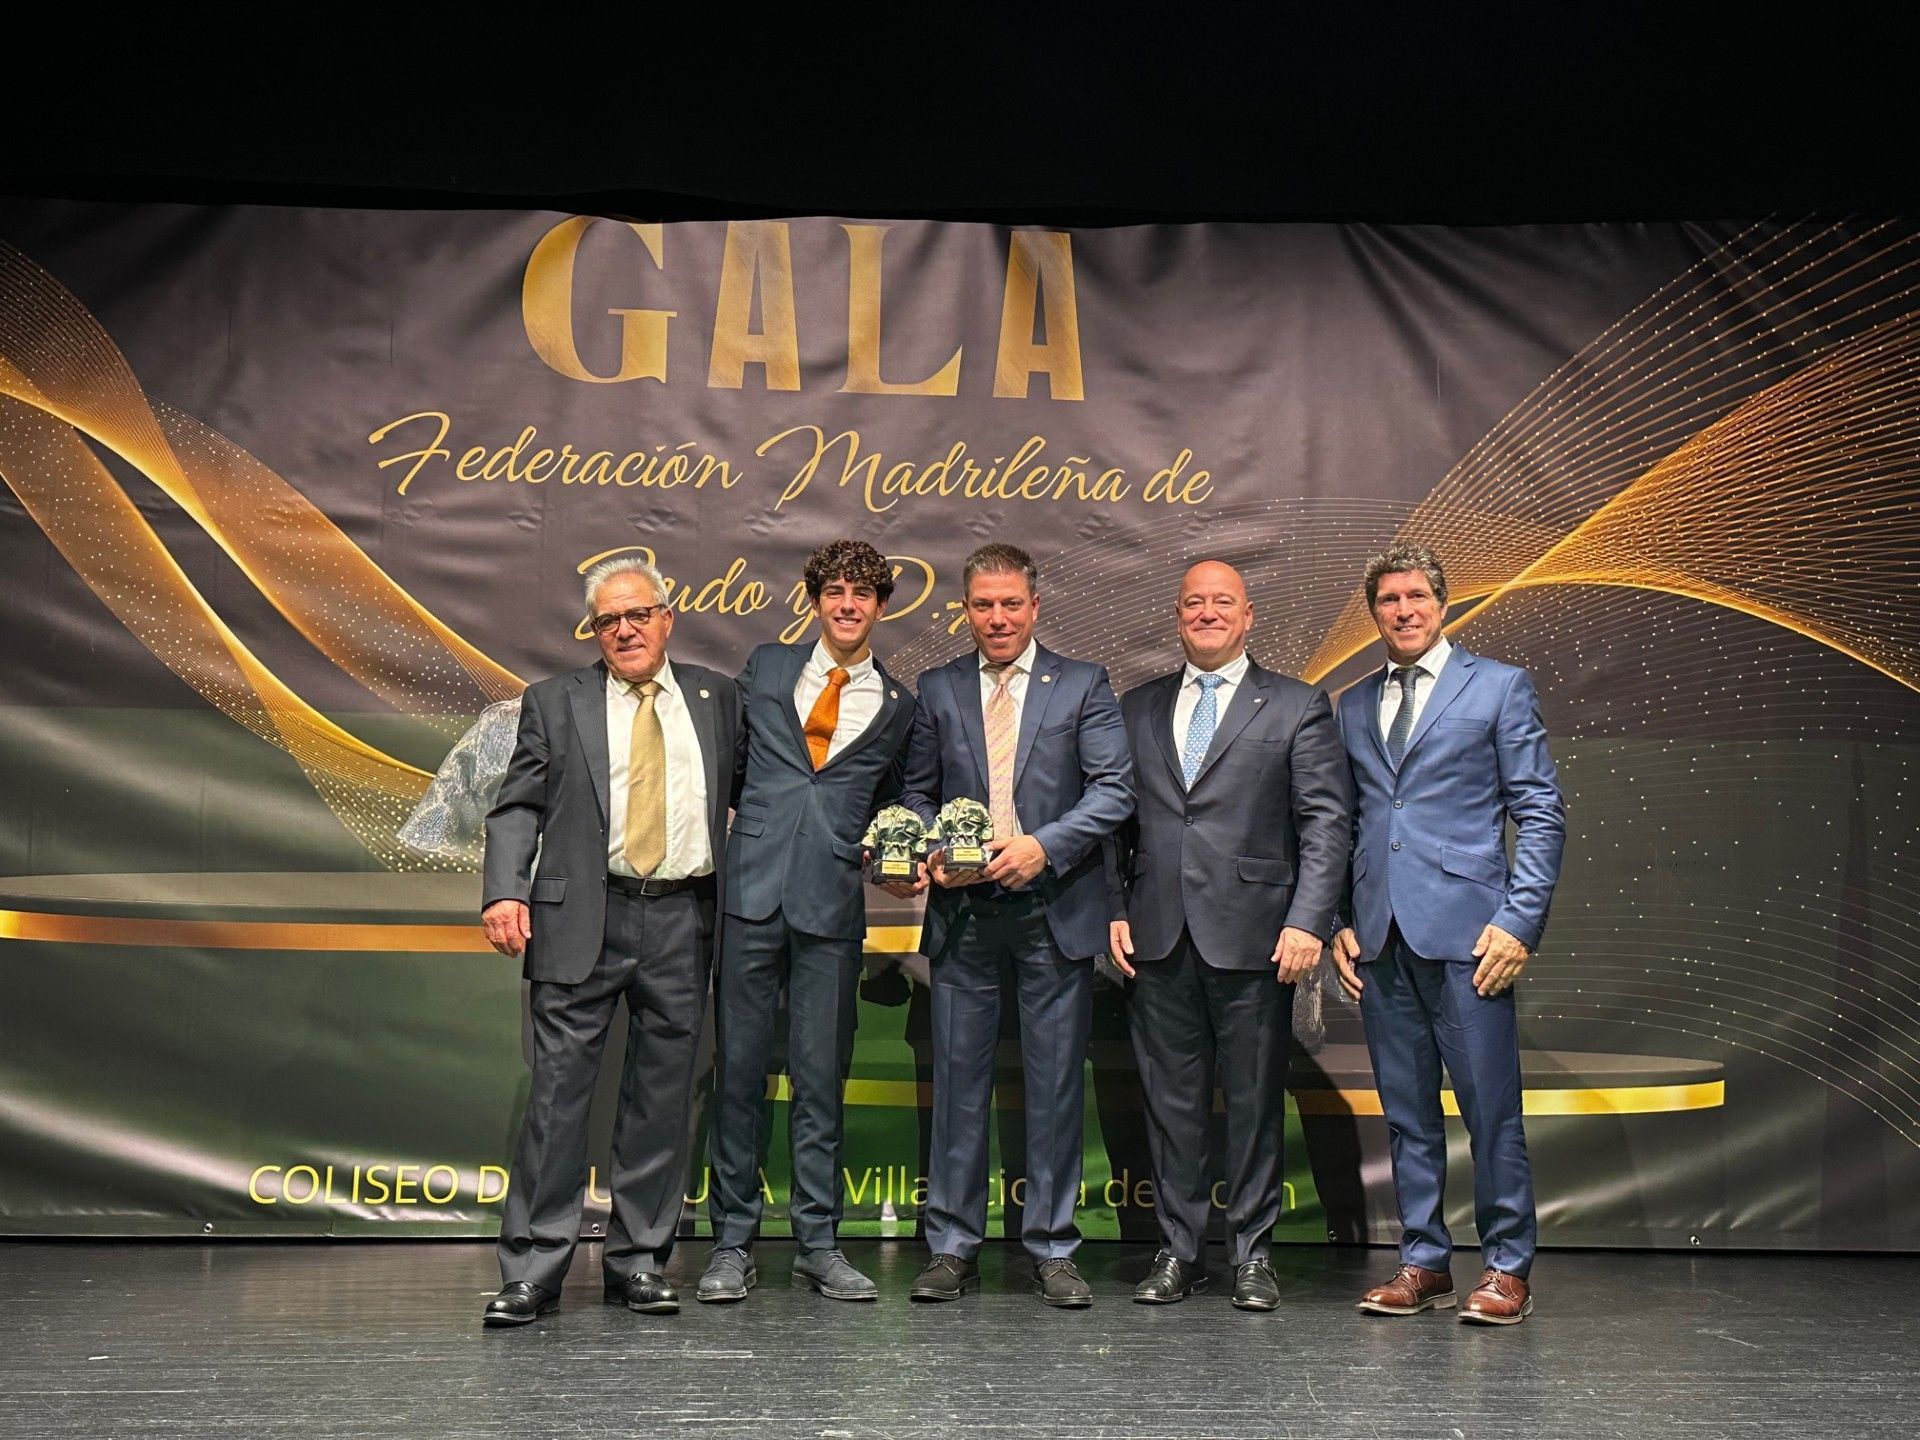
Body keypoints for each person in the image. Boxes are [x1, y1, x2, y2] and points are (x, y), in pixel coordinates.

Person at [479, 556, 742, 1326]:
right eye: (607, 621)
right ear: (594, 631)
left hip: (684, 918)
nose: (624, 630)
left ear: (667, 618)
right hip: (581, 918)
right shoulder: (555, 701)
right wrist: (503, 888)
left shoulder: (718, 698)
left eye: (638, 615)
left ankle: (640, 1262)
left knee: (662, 1100)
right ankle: (533, 1272)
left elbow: (756, 797)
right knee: (557, 1101)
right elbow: (517, 806)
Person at [892, 543, 1134, 1307]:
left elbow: (1114, 790)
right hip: (964, 914)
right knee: (959, 1085)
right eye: (982, 605)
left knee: (1055, 1087)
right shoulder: (938, 688)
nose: (997, 618)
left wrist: (1043, 846)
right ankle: (951, 1245)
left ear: (1035, 606)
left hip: (1053, 909)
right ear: (965, 610)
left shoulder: (1084, 684)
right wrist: (936, 847)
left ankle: (1054, 1248)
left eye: (1010, 604)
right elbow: (917, 793)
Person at [1330, 544, 1565, 1326]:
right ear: (1374, 613)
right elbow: (1349, 824)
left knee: (1491, 1112)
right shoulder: (1353, 704)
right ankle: (1424, 1262)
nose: (1403, 611)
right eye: (1388, 600)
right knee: (1406, 1114)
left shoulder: (1497, 686)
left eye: (1416, 597)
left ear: (1443, 603)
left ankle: (1506, 1269)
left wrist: (1518, 921)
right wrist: (1338, 920)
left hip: (1473, 938)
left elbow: (1540, 812)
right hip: (1381, 938)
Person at [1107, 561, 1351, 1309]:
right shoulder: (1137, 706)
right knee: (1170, 1107)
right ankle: (1179, 1252)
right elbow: (1112, 822)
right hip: (1157, 937)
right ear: (1177, 616)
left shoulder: (1297, 704)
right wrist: (1115, 906)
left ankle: (1252, 1254)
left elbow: (1325, 823)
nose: (1206, 613)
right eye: (1193, 603)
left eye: (1222, 602)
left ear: (1249, 617)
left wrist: (1308, 919)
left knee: (1252, 1103)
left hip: (1258, 938)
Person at [697, 541, 918, 1304]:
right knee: (739, 1076)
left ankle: (819, 1244)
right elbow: (723, 766)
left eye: (862, 594)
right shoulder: (765, 667)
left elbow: (901, 803)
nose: (847, 605)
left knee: (822, 1080)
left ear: (880, 606)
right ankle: (731, 1243)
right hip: (750, 896)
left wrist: (896, 851)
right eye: (834, 591)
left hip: (830, 906)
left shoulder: (899, 705)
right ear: (816, 600)